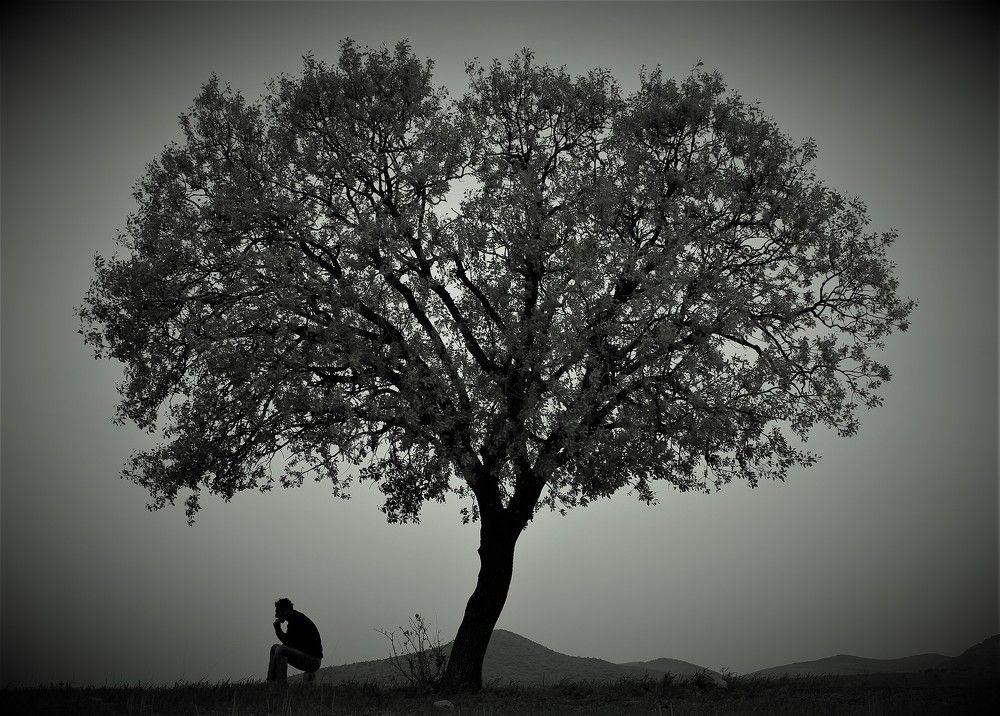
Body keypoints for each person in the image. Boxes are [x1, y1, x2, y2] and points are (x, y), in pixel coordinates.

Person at [266, 597, 323, 681]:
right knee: (274, 648)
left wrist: (278, 630)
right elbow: (289, 642)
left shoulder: (297, 620)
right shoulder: (294, 618)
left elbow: (287, 643)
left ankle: (280, 686)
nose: (276, 615)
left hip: (313, 661)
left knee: (281, 650)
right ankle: (271, 682)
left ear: (285, 611)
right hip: (308, 657)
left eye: (277, 612)